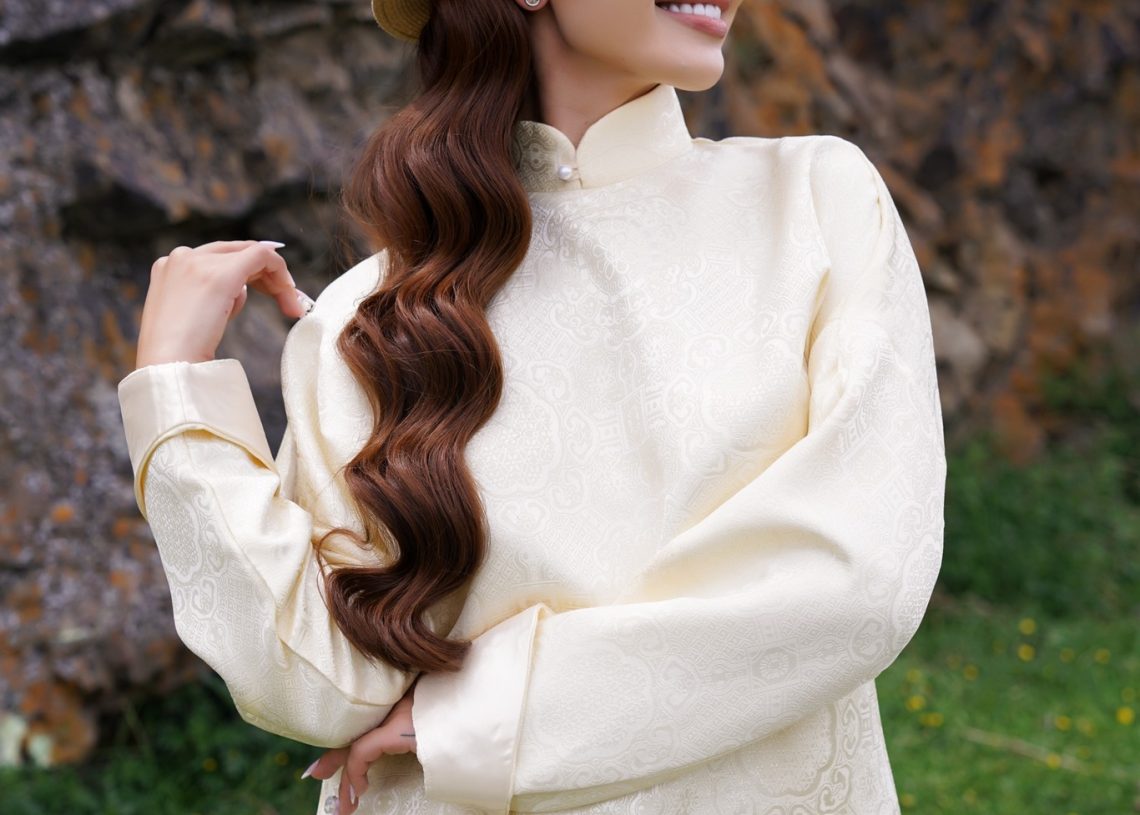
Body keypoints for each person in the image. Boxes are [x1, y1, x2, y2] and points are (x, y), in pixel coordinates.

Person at [116, 0, 947, 813]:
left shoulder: (815, 204)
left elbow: (860, 576)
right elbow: (321, 683)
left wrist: (481, 719)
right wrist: (174, 392)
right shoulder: (368, 319)